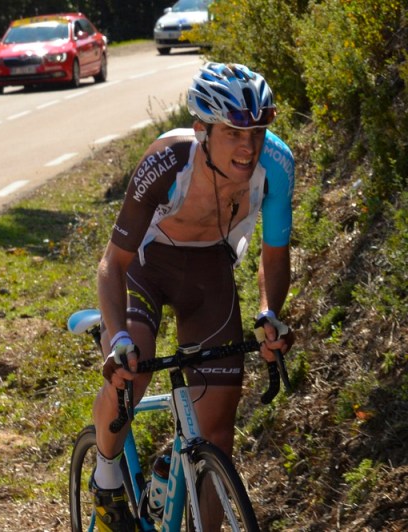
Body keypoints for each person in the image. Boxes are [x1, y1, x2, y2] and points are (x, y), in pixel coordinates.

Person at [90, 63, 296, 531]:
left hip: (210, 273)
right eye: (234, 133)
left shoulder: (277, 165)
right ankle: (105, 480)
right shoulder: (168, 161)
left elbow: (275, 254)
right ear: (202, 130)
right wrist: (118, 335)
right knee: (131, 375)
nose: (249, 147)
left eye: (258, 132)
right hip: (148, 266)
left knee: (218, 434)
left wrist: (269, 314)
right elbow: (112, 264)